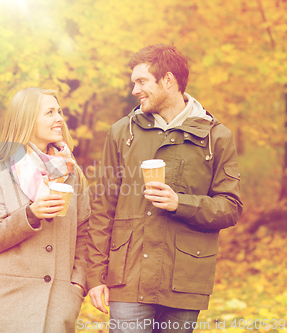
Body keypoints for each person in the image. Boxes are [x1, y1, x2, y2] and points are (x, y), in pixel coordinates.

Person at [86, 44, 243, 333]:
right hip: (127, 280)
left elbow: (230, 208)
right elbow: (101, 208)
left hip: (184, 280)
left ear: (168, 81)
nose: (135, 90)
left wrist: (179, 203)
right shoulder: (122, 132)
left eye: (142, 81)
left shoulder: (216, 137)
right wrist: (94, 275)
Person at [0, 87, 91, 333]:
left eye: (59, 111)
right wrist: (30, 215)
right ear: (27, 120)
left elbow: (85, 232)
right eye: (50, 112)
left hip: (59, 303)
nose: (59, 118)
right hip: (10, 304)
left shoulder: (72, 173)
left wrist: (77, 284)